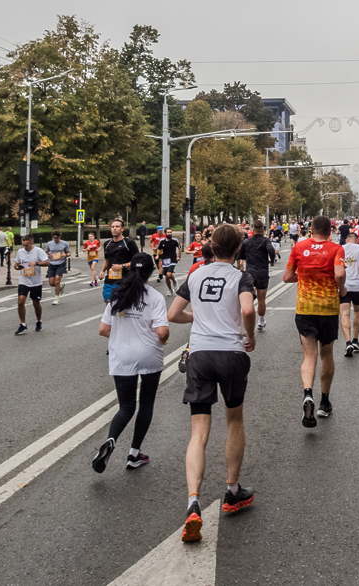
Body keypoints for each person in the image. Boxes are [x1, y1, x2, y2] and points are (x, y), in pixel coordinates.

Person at [167, 223, 258, 542]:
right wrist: (250, 334)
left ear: (211, 247)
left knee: (198, 432)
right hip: (231, 354)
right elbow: (247, 308)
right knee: (234, 420)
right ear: (237, 250)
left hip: (201, 354)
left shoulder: (195, 275)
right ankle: (232, 491)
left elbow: (173, 314)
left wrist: (200, 318)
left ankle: (193, 501)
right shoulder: (241, 277)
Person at [92, 253, 169, 474]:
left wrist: (123, 339)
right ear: (151, 272)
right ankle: (134, 453)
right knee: (146, 404)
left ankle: (110, 440)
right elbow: (162, 332)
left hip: (122, 355)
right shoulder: (155, 297)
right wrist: (162, 339)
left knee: (126, 406)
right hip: (148, 355)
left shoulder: (117, 295)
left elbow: (103, 330)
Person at [283, 215, 346, 426]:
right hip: (328, 309)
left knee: (309, 356)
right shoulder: (336, 249)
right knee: (327, 355)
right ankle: (324, 402)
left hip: (305, 309)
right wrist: (341, 288)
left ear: (311, 229)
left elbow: (287, 277)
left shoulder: (299, 248)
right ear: (330, 231)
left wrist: (303, 276)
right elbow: (339, 273)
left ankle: (307, 393)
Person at [237, 218, 277, 332]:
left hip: (250, 272)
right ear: (263, 229)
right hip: (262, 272)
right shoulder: (266, 241)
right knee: (261, 299)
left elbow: (240, 255)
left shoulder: (246, 242)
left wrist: (247, 258)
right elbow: (271, 251)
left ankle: (244, 319)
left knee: (248, 298)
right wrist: (272, 260)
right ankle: (261, 320)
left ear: (253, 229)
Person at [341, 232, 359, 357]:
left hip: (344, 285)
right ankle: (355, 340)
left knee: (344, 313)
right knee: (358, 312)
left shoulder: (341, 248)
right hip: (358, 285)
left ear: (347, 240)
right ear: (357, 240)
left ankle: (347, 342)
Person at [14, 233, 49, 335]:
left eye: (27, 245)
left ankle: (38, 321)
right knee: (20, 301)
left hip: (35, 282)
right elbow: (16, 264)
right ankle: (23, 324)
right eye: (23, 245)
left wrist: (36, 263)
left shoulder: (38, 251)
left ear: (32, 242)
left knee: (36, 303)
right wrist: (17, 267)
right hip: (23, 281)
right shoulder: (20, 252)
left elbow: (47, 262)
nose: (25, 247)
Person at [101, 219, 140, 304]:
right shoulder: (107, 244)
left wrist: (122, 266)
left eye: (117, 226)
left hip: (124, 280)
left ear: (122, 229)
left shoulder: (129, 243)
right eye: (112, 227)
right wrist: (102, 271)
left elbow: (136, 260)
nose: (114, 229)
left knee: (120, 306)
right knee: (108, 303)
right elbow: (106, 259)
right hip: (109, 280)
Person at [45, 230, 71, 305]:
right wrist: (47, 255)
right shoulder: (49, 244)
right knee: (51, 283)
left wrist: (65, 255)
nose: (55, 239)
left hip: (61, 263)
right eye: (53, 238)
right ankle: (60, 286)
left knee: (57, 280)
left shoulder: (65, 243)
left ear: (59, 237)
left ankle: (56, 297)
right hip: (52, 263)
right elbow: (46, 252)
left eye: (56, 238)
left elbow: (69, 253)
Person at [157, 227, 181, 295]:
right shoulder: (162, 242)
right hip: (165, 260)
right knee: (167, 277)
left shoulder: (174, 241)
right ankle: (170, 290)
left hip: (173, 259)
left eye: (170, 232)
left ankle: (174, 281)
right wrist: (158, 256)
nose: (169, 233)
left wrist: (179, 256)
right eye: (168, 232)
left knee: (169, 274)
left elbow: (180, 248)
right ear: (165, 233)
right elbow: (159, 249)